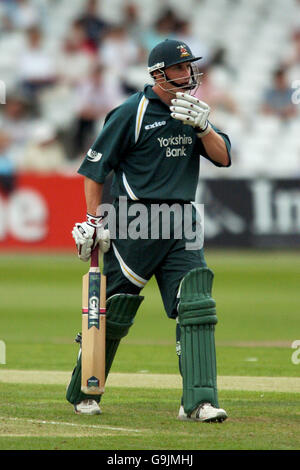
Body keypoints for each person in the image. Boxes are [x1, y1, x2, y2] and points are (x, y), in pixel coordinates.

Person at [66, 39, 231, 422]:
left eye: (190, 68)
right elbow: (94, 170)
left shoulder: (193, 111)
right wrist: (94, 221)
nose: (188, 75)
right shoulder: (130, 112)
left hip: (182, 223)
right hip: (134, 224)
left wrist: (204, 127)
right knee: (112, 312)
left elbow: (223, 157)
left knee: (196, 306)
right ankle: (84, 390)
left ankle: (199, 402)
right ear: (159, 74)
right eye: (180, 68)